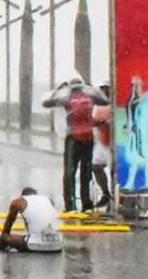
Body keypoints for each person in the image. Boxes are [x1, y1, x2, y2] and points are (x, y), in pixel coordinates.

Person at [42, 74, 108, 212]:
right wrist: (93, 90)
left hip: (74, 138)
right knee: (85, 172)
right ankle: (85, 204)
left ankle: (71, 205)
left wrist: (57, 90)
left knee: (70, 173)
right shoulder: (89, 96)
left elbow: (46, 103)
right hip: (85, 137)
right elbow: (105, 101)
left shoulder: (67, 97)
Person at [0, 187, 63, 253]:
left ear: (23, 196)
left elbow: (8, 224)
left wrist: (3, 239)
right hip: (57, 245)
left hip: (35, 246)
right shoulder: (48, 200)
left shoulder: (19, 202)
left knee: (4, 238)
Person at [91, 84, 112, 208]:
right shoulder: (97, 106)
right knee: (95, 166)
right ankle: (106, 193)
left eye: (107, 89)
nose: (104, 92)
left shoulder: (115, 105)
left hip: (113, 144)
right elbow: (93, 121)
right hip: (101, 142)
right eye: (102, 90)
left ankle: (118, 197)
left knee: (115, 171)